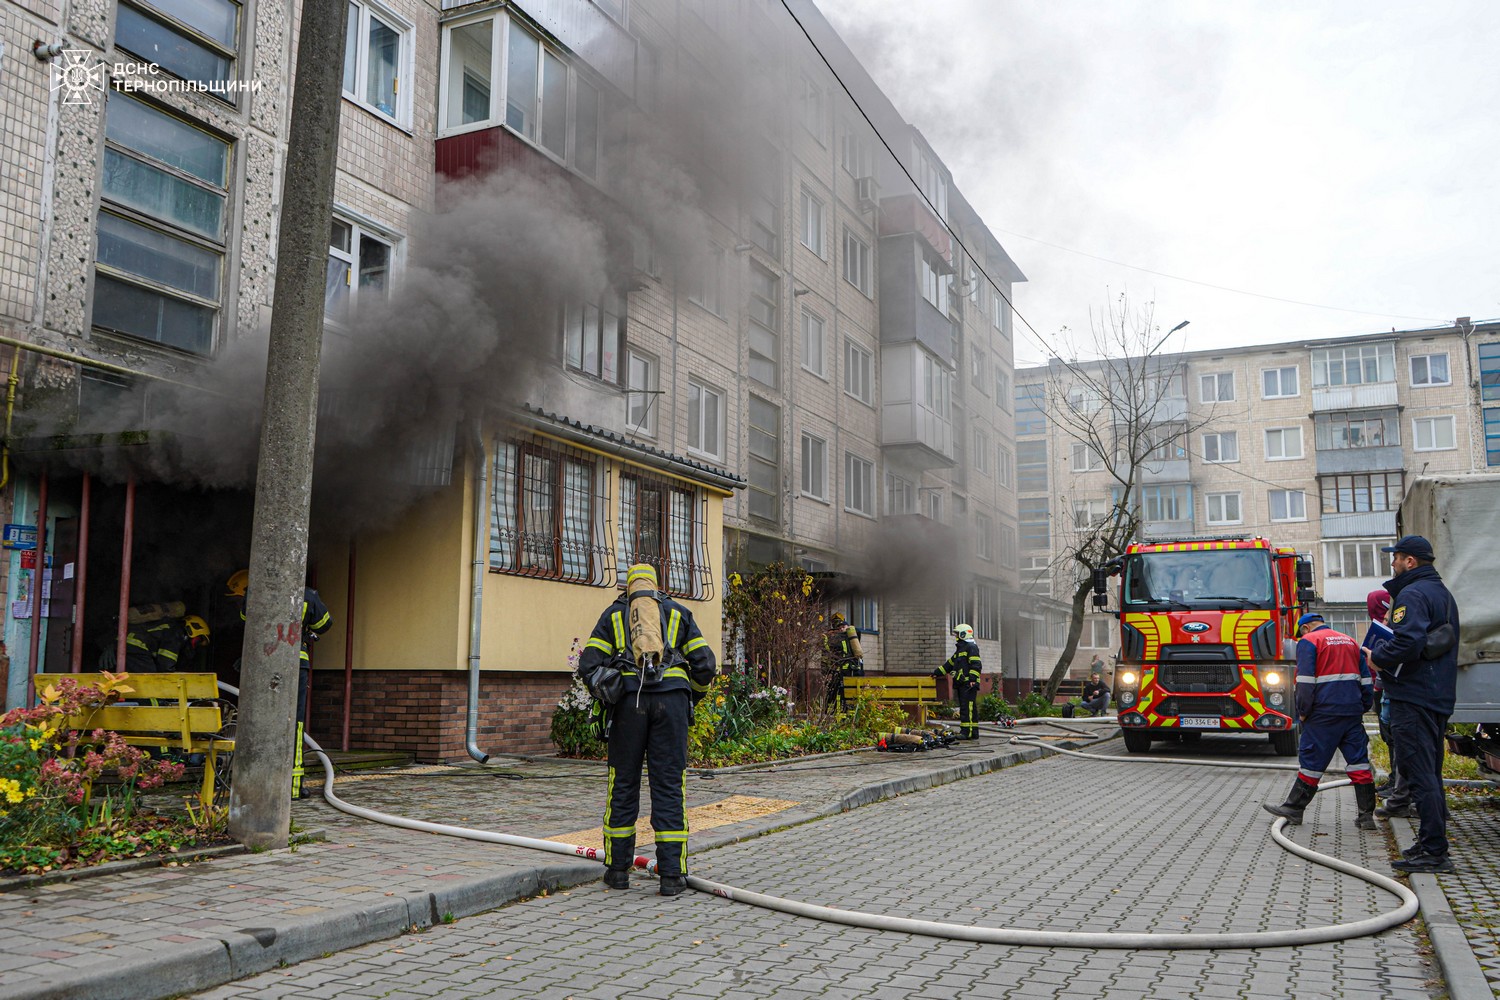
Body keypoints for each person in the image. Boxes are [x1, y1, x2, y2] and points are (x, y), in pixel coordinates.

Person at [576, 563, 717, 896]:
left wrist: (611, 689)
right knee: (669, 785)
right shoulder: (679, 613)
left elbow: (588, 666)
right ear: (657, 585)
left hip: (628, 707)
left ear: (628, 587)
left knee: (623, 783)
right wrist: (690, 696)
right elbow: (706, 665)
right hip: (672, 707)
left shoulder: (614, 616)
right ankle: (671, 876)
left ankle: (618, 871)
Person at [1364, 535, 1461, 874]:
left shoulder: (1413, 594)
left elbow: (1408, 641)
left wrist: (1377, 657)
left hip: (1413, 695)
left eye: (1396, 558)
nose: (1392, 564)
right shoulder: (1443, 594)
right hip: (1437, 695)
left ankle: (1434, 852)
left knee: (1419, 773)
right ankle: (1430, 843)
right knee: (1430, 771)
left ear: (1410, 561)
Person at [1263, 612, 1375, 830]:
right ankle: (1366, 816)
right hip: (1351, 712)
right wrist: (1362, 706)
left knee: (1312, 761)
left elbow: (1304, 682)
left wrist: (1303, 712)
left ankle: (1294, 808)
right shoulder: (1350, 640)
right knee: (1359, 761)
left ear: (1305, 628)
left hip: (1324, 713)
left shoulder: (1309, 641)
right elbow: (1366, 678)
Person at [227, 569, 334, 799]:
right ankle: (293, 788)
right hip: (296, 664)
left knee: (257, 720)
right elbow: (325, 624)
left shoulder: (255, 593)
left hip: (260, 663)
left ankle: (253, 784)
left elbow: (246, 619)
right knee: (293, 724)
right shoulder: (307, 595)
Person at [1362, 588, 1410, 814]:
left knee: (1396, 738)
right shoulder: (1386, 625)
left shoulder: (1395, 627)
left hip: (1391, 689)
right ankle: (1394, 782)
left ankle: (1399, 787)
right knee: (1390, 736)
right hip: (1385, 688)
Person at [933, 623, 982, 740]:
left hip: (969, 684)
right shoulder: (961, 649)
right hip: (962, 684)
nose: (956, 636)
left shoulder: (971, 647)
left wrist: (972, 680)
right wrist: (937, 672)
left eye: (958, 634)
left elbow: (976, 665)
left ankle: (967, 732)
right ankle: (972, 732)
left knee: (967, 708)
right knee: (967, 708)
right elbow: (950, 664)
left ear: (964, 634)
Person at [121, 612, 211, 674]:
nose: (194, 646)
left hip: (130, 645)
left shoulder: (171, 628)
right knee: (151, 681)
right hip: (136, 645)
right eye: (197, 640)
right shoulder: (176, 632)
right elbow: (166, 664)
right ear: (192, 629)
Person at [823, 612, 864, 710]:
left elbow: (829, 652)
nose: (841, 629)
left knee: (844, 693)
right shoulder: (852, 636)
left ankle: (845, 710)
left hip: (847, 670)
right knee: (852, 693)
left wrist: (827, 637)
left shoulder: (844, 637)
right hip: (855, 669)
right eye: (839, 627)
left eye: (843, 627)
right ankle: (850, 709)